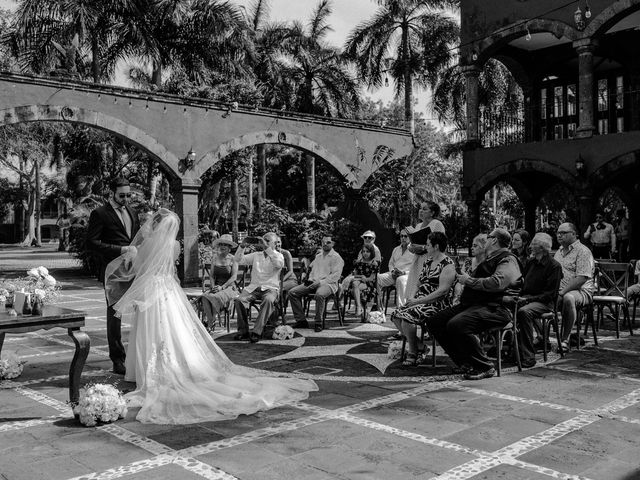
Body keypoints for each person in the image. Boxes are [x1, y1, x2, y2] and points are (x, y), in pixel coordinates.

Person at [104, 209, 317, 424]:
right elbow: (170, 270)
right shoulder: (175, 246)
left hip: (151, 290)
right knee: (175, 328)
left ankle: (143, 370)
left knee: (152, 328)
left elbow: (140, 269)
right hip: (167, 289)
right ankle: (178, 364)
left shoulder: (145, 245)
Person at [427, 228, 522, 380]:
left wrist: (468, 281)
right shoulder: (491, 258)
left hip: (496, 308)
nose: (486, 239)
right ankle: (465, 362)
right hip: (475, 304)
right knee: (434, 321)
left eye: (488, 237)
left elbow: (497, 283)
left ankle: (485, 366)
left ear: (494, 240)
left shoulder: (508, 259)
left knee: (457, 324)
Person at [86, 177, 140, 375]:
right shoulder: (99, 213)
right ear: (112, 193)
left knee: (143, 310)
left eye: (128, 195)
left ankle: (139, 355)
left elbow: (137, 239)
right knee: (115, 315)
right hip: (113, 272)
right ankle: (118, 360)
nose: (126, 198)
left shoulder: (133, 212)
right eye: (121, 195)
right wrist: (121, 250)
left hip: (135, 268)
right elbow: (91, 243)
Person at [391, 232, 456, 366]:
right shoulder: (428, 261)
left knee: (407, 317)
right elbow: (418, 283)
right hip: (420, 301)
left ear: (436, 246)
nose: (426, 247)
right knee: (396, 315)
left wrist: (418, 301)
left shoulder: (448, 264)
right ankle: (420, 347)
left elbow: (442, 291)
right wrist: (413, 297)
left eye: (428, 245)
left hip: (437, 303)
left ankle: (413, 352)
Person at [503, 233, 562, 368]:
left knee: (524, 312)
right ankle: (512, 350)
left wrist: (528, 299)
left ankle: (528, 356)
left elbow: (550, 294)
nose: (530, 246)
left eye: (534, 244)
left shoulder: (554, 266)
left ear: (541, 248)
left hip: (544, 303)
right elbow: (522, 282)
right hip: (527, 298)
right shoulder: (531, 262)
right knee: (504, 303)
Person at [233, 232, 284, 343]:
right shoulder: (256, 255)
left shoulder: (278, 255)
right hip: (254, 288)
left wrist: (267, 248)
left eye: (267, 240)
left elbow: (278, 265)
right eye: (263, 239)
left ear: (275, 243)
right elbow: (238, 260)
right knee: (238, 300)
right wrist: (242, 246)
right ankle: (243, 332)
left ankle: (257, 332)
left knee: (268, 300)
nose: (264, 242)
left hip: (270, 289)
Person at [289, 236, 345, 332]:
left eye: (328, 242)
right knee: (292, 292)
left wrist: (320, 282)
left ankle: (318, 322)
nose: (325, 244)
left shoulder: (336, 257)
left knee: (319, 295)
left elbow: (335, 276)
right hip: (314, 282)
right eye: (323, 242)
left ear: (333, 244)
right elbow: (313, 272)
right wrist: (311, 280)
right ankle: (301, 320)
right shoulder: (318, 256)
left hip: (329, 284)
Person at [556, 222, 595, 350]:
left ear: (573, 234)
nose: (559, 235)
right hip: (560, 289)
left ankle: (565, 339)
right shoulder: (559, 251)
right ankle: (541, 336)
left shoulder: (583, 251)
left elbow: (581, 278)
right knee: (531, 299)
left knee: (568, 298)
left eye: (563, 233)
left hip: (581, 291)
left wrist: (562, 292)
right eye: (558, 233)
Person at [405, 202, 446, 301]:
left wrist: (423, 248)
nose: (421, 211)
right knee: (413, 289)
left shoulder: (437, 224)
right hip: (417, 261)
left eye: (424, 209)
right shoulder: (418, 226)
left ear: (432, 213)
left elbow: (440, 245)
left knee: (425, 289)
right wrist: (411, 247)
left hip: (430, 261)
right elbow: (412, 243)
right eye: (420, 208)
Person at [201, 234, 239, 333]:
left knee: (215, 297)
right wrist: (213, 286)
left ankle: (210, 323)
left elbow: (234, 277)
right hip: (216, 286)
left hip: (229, 288)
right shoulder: (214, 258)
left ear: (229, 248)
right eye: (221, 244)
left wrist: (222, 287)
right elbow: (212, 275)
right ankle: (212, 320)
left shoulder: (233, 259)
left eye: (225, 245)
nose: (222, 246)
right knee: (205, 296)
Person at [376, 228, 416, 309]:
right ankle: (378, 306)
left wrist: (404, 273)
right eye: (401, 236)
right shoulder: (396, 249)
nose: (403, 238)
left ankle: (401, 308)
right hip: (394, 274)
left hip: (407, 275)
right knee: (377, 278)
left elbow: (416, 267)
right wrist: (393, 271)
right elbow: (391, 263)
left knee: (400, 280)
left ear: (410, 237)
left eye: (405, 236)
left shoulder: (414, 250)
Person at [339, 230, 381, 300]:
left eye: (369, 237)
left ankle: (340, 302)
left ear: (374, 239)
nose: (367, 239)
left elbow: (374, 267)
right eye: (365, 237)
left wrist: (354, 276)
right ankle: (339, 302)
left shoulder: (375, 250)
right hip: (360, 275)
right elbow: (358, 265)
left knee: (349, 282)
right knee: (346, 280)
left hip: (369, 277)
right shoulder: (362, 250)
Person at [347, 243, 380, 317]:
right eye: (363, 251)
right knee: (355, 283)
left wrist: (365, 278)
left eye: (367, 251)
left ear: (371, 252)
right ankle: (359, 307)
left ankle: (359, 308)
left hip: (368, 283)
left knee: (354, 288)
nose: (365, 253)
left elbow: (371, 278)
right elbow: (354, 275)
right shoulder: (359, 262)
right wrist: (361, 276)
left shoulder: (374, 263)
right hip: (358, 280)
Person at [276, 236, 298, 308]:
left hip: (290, 279)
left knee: (276, 288)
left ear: (281, 243)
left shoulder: (286, 253)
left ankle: (278, 310)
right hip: (277, 280)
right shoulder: (270, 254)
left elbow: (290, 271)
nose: (277, 244)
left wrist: (280, 281)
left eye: (278, 242)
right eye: (274, 242)